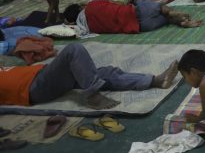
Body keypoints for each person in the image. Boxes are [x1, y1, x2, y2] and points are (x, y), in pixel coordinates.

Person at [0, 43, 179, 109]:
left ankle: (155, 81)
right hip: (33, 88)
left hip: (40, 74)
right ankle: (93, 95)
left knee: (104, 72)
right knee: (73, 49)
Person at [64, 0, 202, 35]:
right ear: (80, 8)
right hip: (134, 11)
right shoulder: (92, 5)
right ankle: (172, 13)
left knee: (166, 20)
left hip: (140, 27)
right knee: (161, 8)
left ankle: (180, 22)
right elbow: (117, 2)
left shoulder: (90, 27)